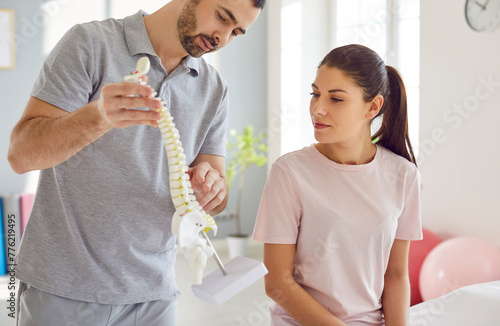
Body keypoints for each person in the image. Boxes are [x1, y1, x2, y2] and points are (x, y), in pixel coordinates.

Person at [7, 0, 264, 325]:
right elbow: (21, 154)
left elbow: (217, 191)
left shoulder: (214, 89)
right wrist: (98, 116)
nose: (222, 38)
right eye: (222, 17)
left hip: (155, 295)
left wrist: (211, 190)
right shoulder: (89, 43)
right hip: (64, 290)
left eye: (237, 32)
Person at [253, 44, 422, 326]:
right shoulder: (290, 173)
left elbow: (395, 276)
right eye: (315, 94)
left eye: (336, 99)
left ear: (373, 106)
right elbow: (277, 283)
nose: (318, 109)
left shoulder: (404, 175)